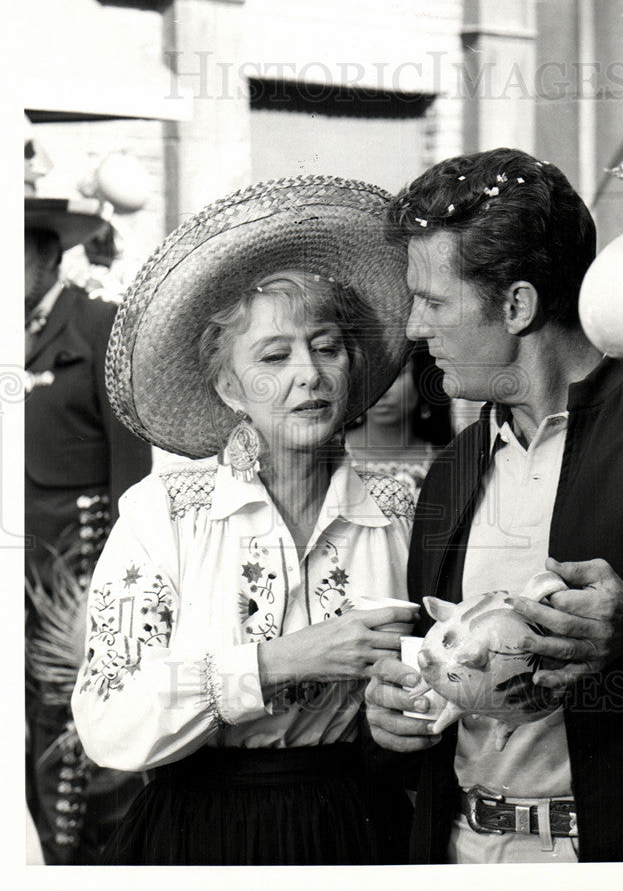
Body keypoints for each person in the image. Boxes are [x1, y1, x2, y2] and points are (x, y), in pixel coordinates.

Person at [364, 148, 623, 864]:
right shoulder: (451, 470)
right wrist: (392, 710)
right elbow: (447, 668)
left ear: (516, 305)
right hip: (458, 851)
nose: (414, 328)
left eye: (432, 300)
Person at [71, 176, 418, 865]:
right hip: (202, 832)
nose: (309, 374)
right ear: (230, 389)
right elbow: (111, 724)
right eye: (273, 355)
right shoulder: (166, 514)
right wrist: (277, 662)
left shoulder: (404, 505)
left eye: (327, 346)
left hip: (360, 830)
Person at [24, 195, 152, 864]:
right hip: (14, 569)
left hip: (76, 570)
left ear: (45, 255)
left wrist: (117, 577)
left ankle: (84, 863)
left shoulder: (99, 325)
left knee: (67, 720)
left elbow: (131, 464)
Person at [347, 350, 451, 499]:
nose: (382, 390)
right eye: (372, 373)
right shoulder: (330, 455)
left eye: (396, 375)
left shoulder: (445, 463)